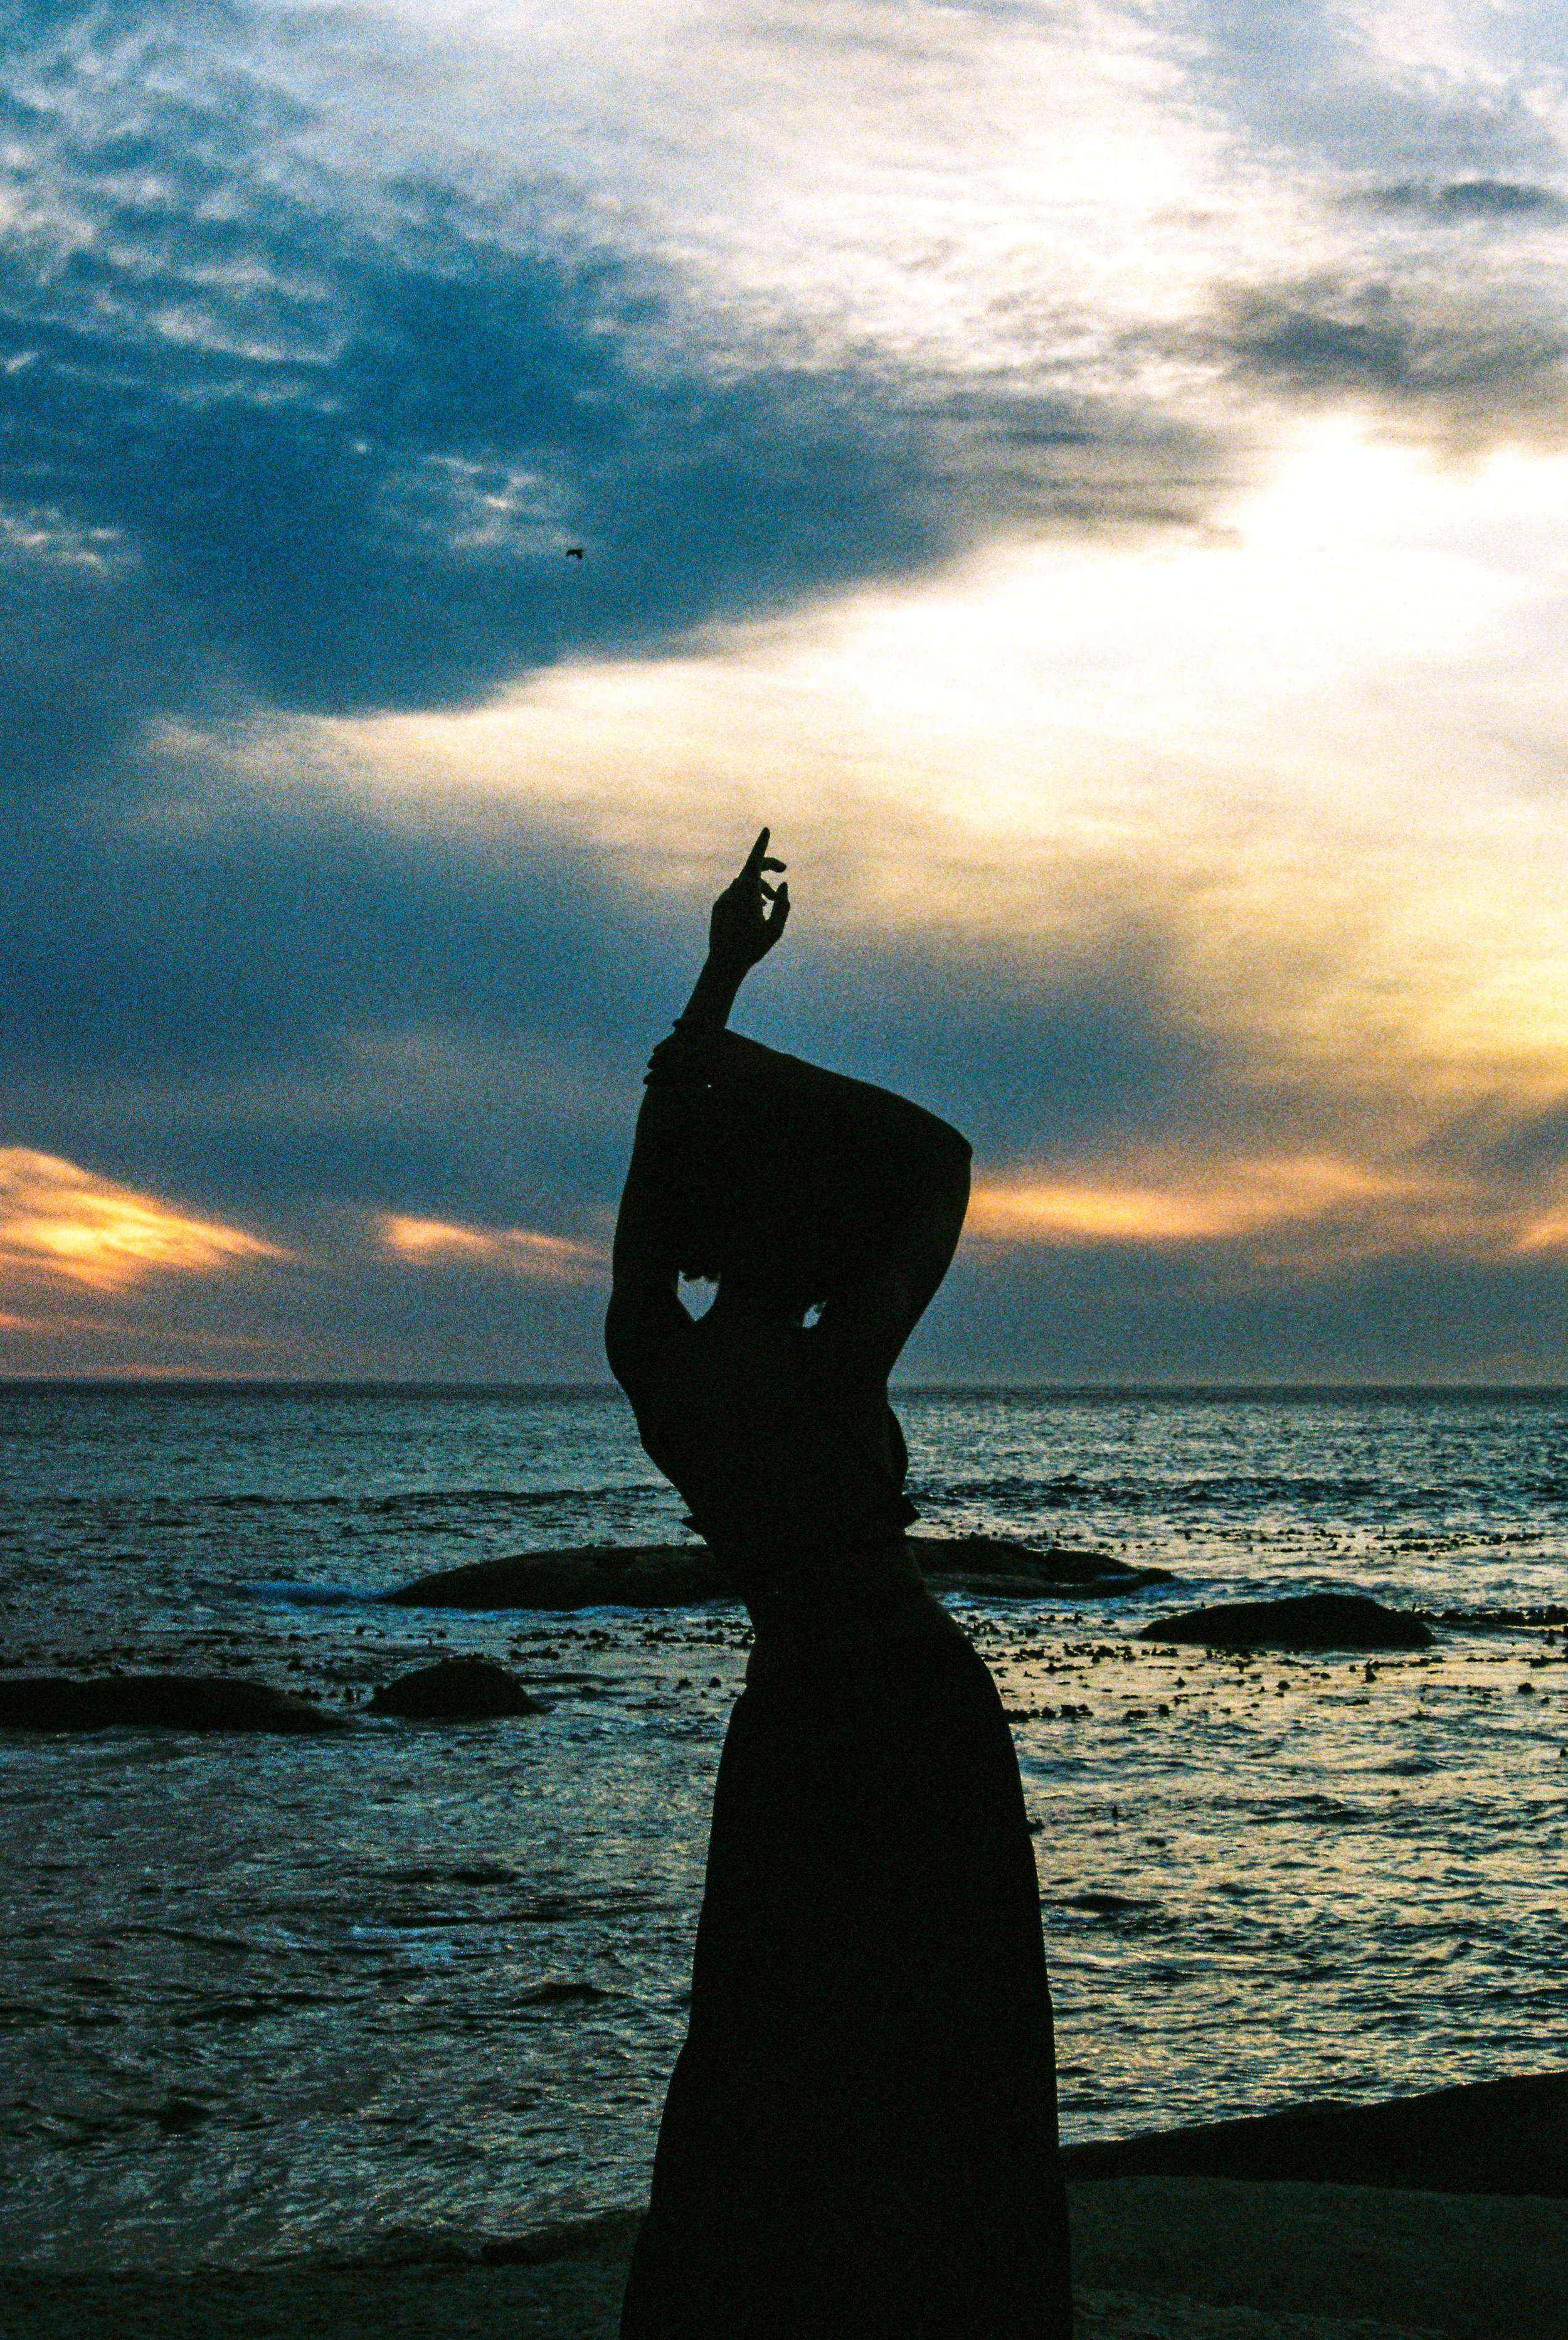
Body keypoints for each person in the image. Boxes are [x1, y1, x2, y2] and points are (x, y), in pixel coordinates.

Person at [606, 831, 1074, 2340]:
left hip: (790, 1716)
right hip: (913, 1712)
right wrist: (743, 1027)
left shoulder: (659, 1366)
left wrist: (712, 1006)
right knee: (945, 2053)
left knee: (769, 2043)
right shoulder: (833, 1358)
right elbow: (937, 1155)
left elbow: (647, 1169)